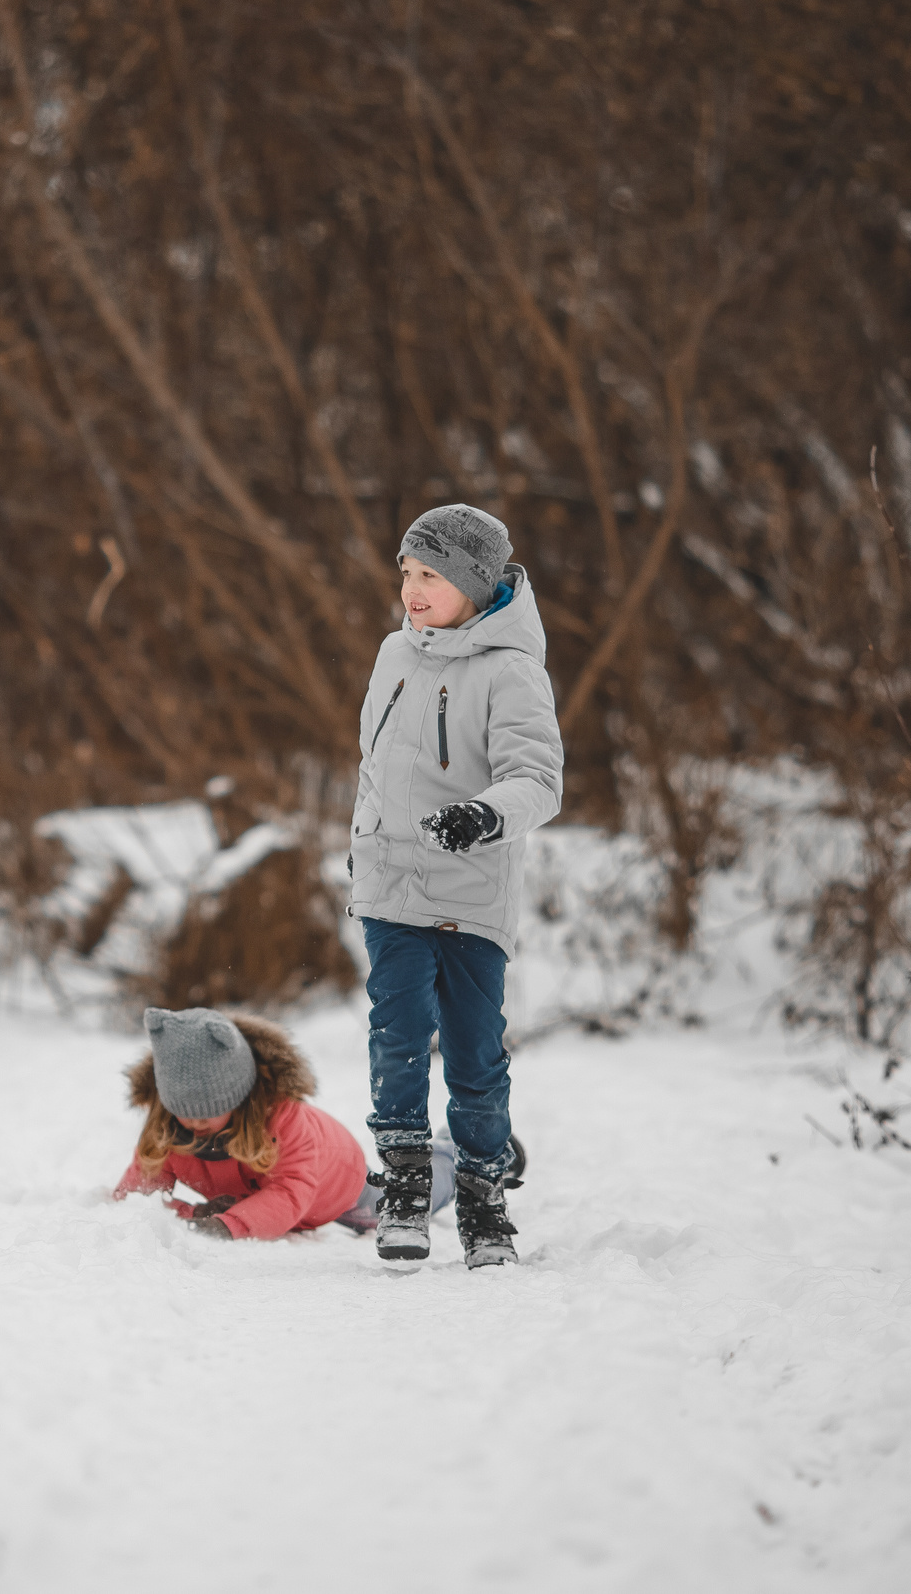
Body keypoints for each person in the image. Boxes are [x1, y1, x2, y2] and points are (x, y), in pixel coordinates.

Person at [348, 504, 563, 1267]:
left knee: (473, 1053)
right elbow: (375, 765)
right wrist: (363, 843)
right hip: (392, 884)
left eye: (431, 576)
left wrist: (484, 815)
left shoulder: (512, 670)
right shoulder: (393, 654)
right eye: (406, 572)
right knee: (397, 1035)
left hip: (470, 892)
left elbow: (537, 778)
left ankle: (481, 1196)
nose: (412, 590)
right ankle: (406, 1185)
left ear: (474, 583)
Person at [113, 1006, 453, 1239]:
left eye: (210, 1109)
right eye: (183, 1110)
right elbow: (136, 1200)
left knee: (402, 1206)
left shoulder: (281, 1120)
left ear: (239, 1097)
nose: (195, 1121)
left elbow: (289, 1192)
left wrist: (227, 1225)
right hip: (265, 1199)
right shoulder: (164, 1131)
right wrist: (192, 1216)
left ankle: (451, 1155)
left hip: (336, 1181)